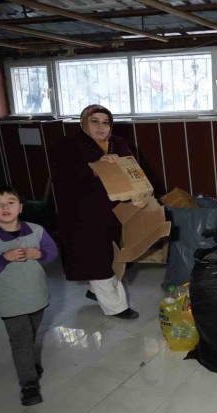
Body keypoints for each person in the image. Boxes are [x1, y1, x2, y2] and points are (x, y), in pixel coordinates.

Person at [0, 185, 58, 406]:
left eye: (10, 202)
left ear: (20, 207)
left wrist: (41, 254)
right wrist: (3, 258)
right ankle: (29, 384)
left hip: (37, 296)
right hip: (9, 302)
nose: (5, 207)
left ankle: (28, 362)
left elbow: (52, 253)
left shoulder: (36, 230)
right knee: (21, 340)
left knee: (30, 334)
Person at [52, 104, 140, 319]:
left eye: (106, 123)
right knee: (96, 257)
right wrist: (96, 167)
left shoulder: (118, 143)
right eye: (95, 122)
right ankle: (117, 307)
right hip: (82, 214)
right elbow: (64, 178)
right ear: (84, 123)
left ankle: (95, 290)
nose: (101, 127)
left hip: (114, 211)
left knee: (112, 255)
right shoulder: (68, 145)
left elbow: (133, 170)